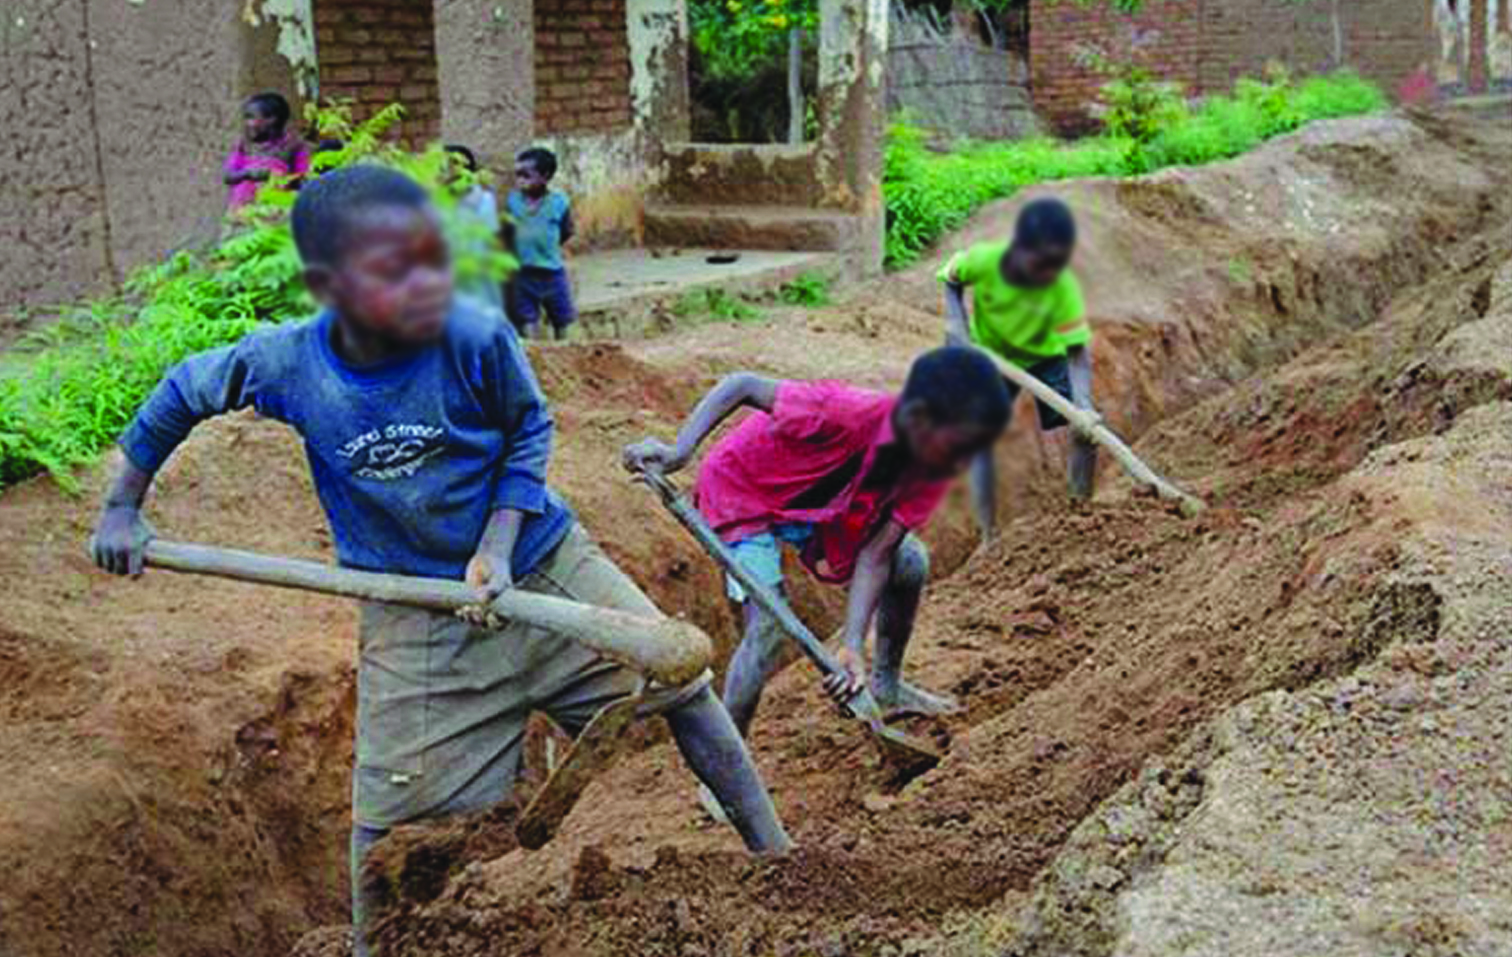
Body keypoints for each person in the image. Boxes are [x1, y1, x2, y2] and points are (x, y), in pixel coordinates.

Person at [89, 166, 790, 955]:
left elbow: (528, 430)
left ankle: (782, 864)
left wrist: (494, 545)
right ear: (328, 284)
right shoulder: (288, 364)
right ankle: (370, 946)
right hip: (418, 618)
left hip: (542, 562)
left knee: (683, 686)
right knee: (389, 822)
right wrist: (123, 507)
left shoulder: (470, 333)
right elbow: (181, 392)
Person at [623, 348, 1011, 744]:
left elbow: (877, 554)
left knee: (909, 561)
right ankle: (729, 758)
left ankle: (886, 687)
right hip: (742, 489)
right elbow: (743, 384)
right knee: (769, 627)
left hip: (819, 507)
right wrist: (679, 452)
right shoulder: (847, 410)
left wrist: (853, 647)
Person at [938, 196, 1097, 545]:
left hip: (1046, 358)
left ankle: (1081, 520)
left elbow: (1078, 350)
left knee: (1087, 433)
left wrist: (1083, 403)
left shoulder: (1061, 285)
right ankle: (988, 537)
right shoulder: (983, 260)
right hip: (990, 356)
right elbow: (949, 280)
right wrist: (956, 327)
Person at [505, 147, 576, 340]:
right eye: (517, 175)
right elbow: (507, 231)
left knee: (563, 321)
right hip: (523, 275)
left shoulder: (559, 203)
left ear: (545, 176)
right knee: (527, 324)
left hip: (553, 274)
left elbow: (566, 230)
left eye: (526, 175)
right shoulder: (513, 202)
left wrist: (548, 247)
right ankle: (533, 364)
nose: (520, 180)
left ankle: (566, 361)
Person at [443, 144, 507, 314]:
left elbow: (491, 239)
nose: (445, 169)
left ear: (466, 169)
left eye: (452, 164)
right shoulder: (439, 201)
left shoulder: (485, 200)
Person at [223, 92, 310, 210]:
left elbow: (303, 181)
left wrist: (277, 178)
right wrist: (249, 174)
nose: (247, 123)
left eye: (251, 117)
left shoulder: (294, 146)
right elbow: (228, 177)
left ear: (272, 119)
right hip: (241, 211)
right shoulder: (244, 146)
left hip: (275, 211)